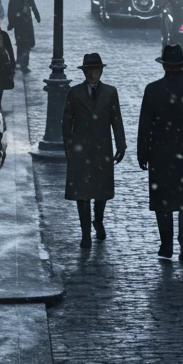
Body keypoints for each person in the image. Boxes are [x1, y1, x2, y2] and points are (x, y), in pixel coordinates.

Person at [137, 44, 183, 263]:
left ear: (164, 65)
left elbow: (145, 126)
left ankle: (166, 244)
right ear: (182, 64)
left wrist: (143, 153)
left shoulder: (153, 90)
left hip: (160, 153)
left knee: (163, 201)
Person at [62, 53, 126, 248]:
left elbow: (116, 119)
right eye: (89, 70)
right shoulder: (74, 93)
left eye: (96, 70)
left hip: (102, 148)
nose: (92, 74)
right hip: (80, 150)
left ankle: (98, 220)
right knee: (82, 193)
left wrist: (121, 144)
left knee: (101, 191)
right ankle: (85, 233)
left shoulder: (110, 92)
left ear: (101, 71)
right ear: (84, 72)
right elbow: (66, 122)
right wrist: (69, 148)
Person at [7, 0, 41, 72]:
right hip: (18, 23)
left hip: (27, 22)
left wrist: (37, 15)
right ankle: (19, 61)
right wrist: (11, 22)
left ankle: (24, 63)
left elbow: (33, 5)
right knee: (20, 43)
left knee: (27, 43)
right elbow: (11, 9)